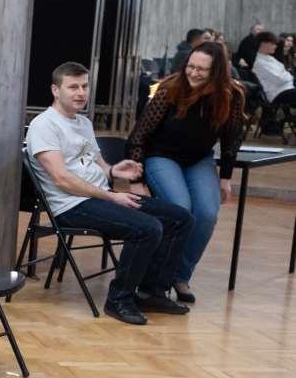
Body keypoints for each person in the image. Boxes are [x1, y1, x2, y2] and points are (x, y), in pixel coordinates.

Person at [28, 62, 193, 325]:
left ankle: (150, 293)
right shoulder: (44, 125)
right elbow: (62, 180)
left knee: (181, 218)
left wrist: (115, 170)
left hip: (101, 196)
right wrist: (113, 196)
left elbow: (99, 166)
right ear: (55, 90)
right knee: (147, 228)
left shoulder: (83, 122)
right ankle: (119, 300)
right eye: (73, 87)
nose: (81, 93)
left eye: (85, 86)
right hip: (71, 206)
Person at [126, 43, 245, 303]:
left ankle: (179, 276)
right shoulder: (169, 89)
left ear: (217, 71)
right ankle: (155, 279)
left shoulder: (232, 95)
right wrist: (136, 180)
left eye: (202, 69)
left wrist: (225, 178)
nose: (193, 73)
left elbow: (232, 138)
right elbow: (137, 137)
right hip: (161, 156)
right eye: (190, 66)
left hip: (199, 159)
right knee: (181, 209)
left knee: (207, 214)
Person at [252, 31, 296, 105]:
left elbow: (287, 75)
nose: (275, 46)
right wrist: (286, 76)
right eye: (273, 44)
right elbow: (279, 80)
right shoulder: (260, 63)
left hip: (287, 89)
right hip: (276, 94)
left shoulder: (271, 59)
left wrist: (285, 76)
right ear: (263, 44)